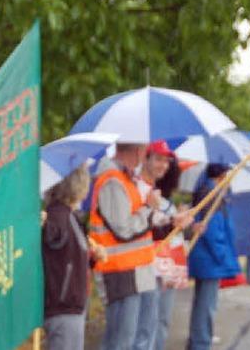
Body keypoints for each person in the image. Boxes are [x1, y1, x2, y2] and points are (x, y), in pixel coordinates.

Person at [89, 143, 156, 350]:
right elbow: (124, 229)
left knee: (125, 339)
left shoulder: (122, 178)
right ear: (138, 150)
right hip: (119, 273)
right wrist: (148, 208)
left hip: (130, 272)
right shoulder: (112, 181)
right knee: (120, 342)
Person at [134, 140, 192, 350]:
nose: (163, 166)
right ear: (145, 158)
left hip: (167, 269)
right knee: (145, 330)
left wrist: (180, 224)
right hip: (147, 268)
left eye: (166, 161)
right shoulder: (137, 189)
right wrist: (169, 222)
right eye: (158, 159)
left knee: (160, 325)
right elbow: (137, 228)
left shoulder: (161, 197)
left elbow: (164, 228)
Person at [42, 165, 105, 350]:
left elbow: (68, 257)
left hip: (69, 304)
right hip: (64, 305)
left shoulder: (68, 216)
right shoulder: (58, 217)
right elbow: (53, 242)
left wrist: (91, 258)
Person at [186, 164, 240, 350]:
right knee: (206, 304)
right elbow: (213, 232)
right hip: (210, 259)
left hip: (205, 258)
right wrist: (224, 257)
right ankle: (201, 343)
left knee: (202, 302)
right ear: (221, 176)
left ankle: (197, 340)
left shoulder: (207, 192)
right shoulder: (211, 196)